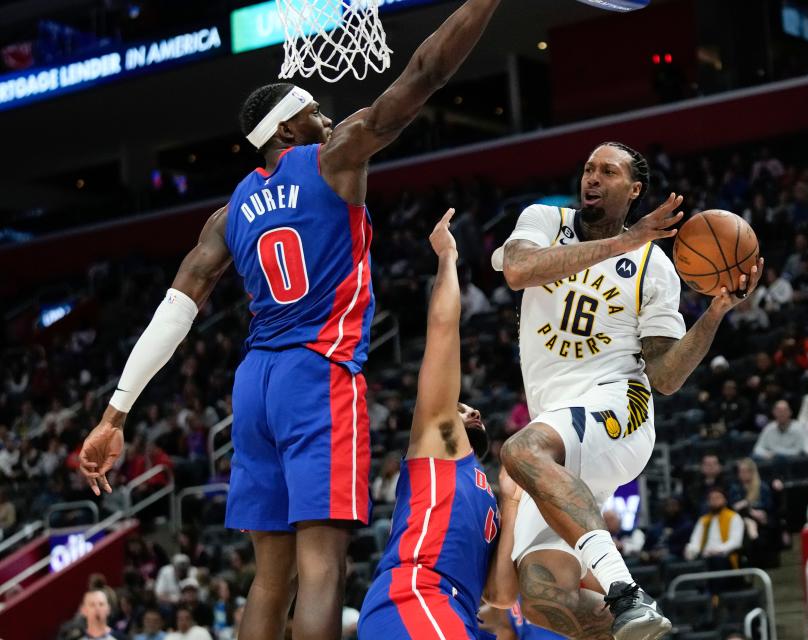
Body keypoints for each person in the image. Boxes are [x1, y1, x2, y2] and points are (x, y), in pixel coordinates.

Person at [76, 2, 502, 639]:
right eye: (314, 112)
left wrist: (115, 415)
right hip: (318, 374)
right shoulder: (333, 158)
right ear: (286, 131)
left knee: (269, 579)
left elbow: (175, 311)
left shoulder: (228, 214)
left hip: (255, 386)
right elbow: (423, 73)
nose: (327, 119)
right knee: (323, 565)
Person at [494, 142, 763, 640]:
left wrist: (715, 312)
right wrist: (626, 240)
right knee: (543, 598)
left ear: (634, 189)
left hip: (618, 407)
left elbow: (664, 376)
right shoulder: (542, 221)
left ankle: (626, 593)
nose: (592, 178)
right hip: (558, 427)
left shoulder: (653, 267)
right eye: (589, 168)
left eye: (608, 171)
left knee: (519, 449)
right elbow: (518, 270)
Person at [357, 211, 521, 639]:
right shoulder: (438, 442)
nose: (472, 410)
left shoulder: (487, 490)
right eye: (461, 405)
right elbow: (444, 330)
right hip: (416, 594)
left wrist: (513, 502)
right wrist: (448, 257)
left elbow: (501, 595)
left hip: (457, 610)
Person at [683, 487, 744, 570]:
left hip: (724, 556)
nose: (714, 500)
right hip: (704, 556)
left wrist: (717, 550)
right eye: (712, 498)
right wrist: (691, 550)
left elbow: (736, 542)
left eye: (718, 497)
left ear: (725, 500)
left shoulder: (734, 517)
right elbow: (695, 540)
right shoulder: (703, 520)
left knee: (716, 561)